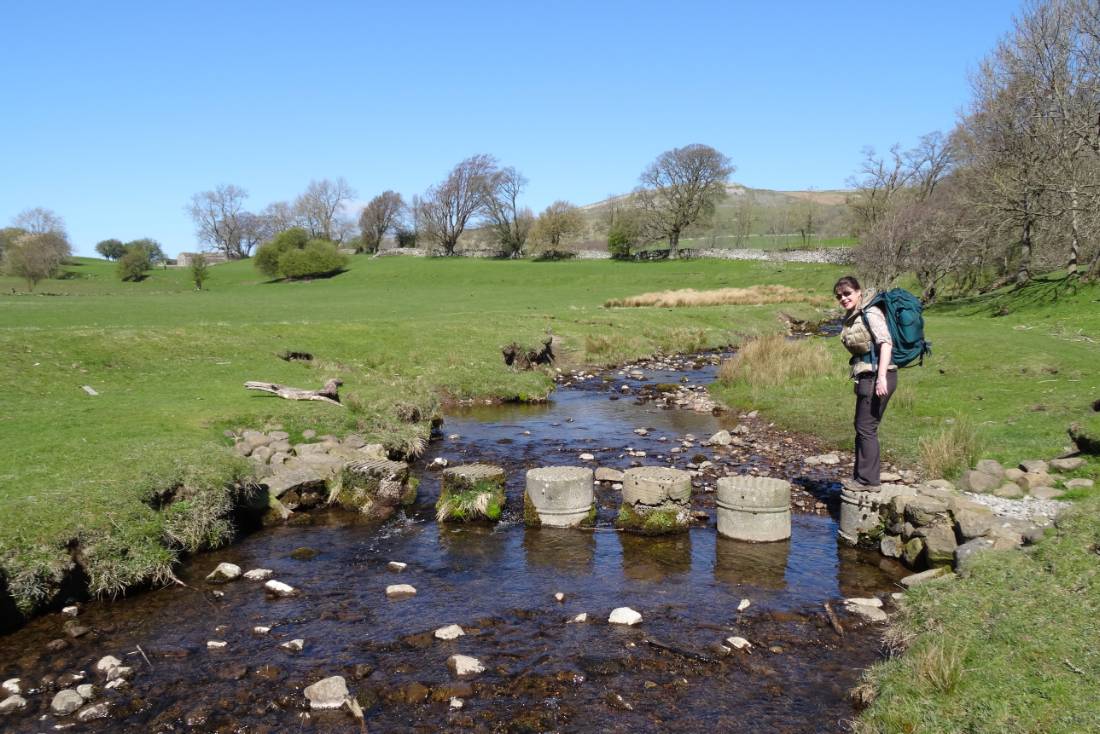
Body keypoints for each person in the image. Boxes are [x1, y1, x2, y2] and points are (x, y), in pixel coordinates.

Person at [834, 275, 896, 491]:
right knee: (863, 427)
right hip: (867, 376)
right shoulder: (854, 315)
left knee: (866, 428)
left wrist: (880, 378)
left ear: (859, 292)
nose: (843, 298)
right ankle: (862, 477)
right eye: (839, 296)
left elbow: (886, 343)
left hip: (878, 376)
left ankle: (868, 481)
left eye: (847, 293)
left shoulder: (870, 313)